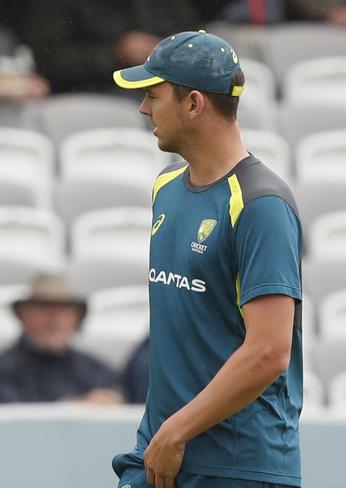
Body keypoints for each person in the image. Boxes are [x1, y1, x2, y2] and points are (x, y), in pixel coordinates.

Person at [110, 31, 303, 488]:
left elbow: (269, 351)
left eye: (153, 95)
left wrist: (177, 429)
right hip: (162, 453)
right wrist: (166, 435)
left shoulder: (261, 205)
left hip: (237, 466)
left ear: (194, 104)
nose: (143, 109)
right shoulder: (165, 187)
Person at [0, 274, 123, 404]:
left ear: (76, 320)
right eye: (43, 308)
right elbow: (12, 418)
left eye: (63, 310)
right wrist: (77, 407)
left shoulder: (97, 370)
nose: (54, 319)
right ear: (24, 316)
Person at [18, 0, 200, 95]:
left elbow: (191, 41)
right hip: (89, 92)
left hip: (162, 89)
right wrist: (116, 54)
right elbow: (48, 61)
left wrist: (169, 49)